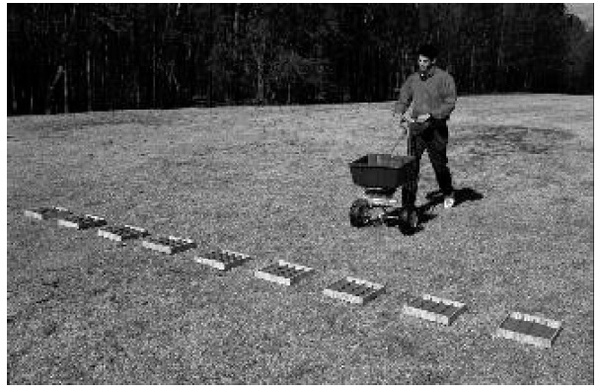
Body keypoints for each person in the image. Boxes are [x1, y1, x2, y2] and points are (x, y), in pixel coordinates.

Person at [393, 43, 457, 212]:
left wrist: (432, 115)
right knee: (410, 167)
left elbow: (450, 103)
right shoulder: (413, 78)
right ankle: (408, 205)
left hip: (436, 130)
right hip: (416, 129)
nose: (421, 63)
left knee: (439, 166)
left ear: (433, 61)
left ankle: (448, 192)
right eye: (419, 60)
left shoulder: (445, 78)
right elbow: (404, 96)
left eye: (425, 61)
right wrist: (401, 113)